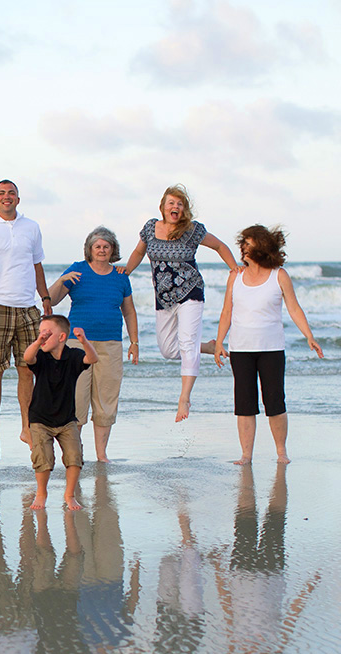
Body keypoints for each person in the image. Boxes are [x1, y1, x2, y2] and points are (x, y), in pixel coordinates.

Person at [118, 185, 239, 422]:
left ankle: (184, 397)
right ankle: (208, 347)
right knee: (168, 350)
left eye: (180, 204)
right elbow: (138, 252)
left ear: (184, 210)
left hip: (190, 290)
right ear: (162, 206)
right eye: (171, 203)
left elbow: (219, 246)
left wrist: (234, 268)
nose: (176, 207)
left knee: (186, 343)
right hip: (163, 297)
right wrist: (126, 271)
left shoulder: (192, 230)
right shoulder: (150, 228)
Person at [214, 225, 323, 464]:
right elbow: (227, 311)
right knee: (244, 404)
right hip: (241, 349)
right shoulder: (235, 276)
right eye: (243, 242)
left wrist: (309, 335)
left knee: (274, 402)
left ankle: (281, 452)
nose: (243, 247)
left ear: (260, 247)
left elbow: (294, 308)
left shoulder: (279, 275)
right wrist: (219, 341)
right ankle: (246, 456)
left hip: (271, 349)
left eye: (248, 243)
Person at [0, 180, 51, 462]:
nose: (6, 197)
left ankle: (26, 427)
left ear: (18, 198)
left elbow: (37, 266)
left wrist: (46, 298)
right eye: (1, 193)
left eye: (11, 193)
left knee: (28, 370)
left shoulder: (32, 227)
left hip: (28, 307)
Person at [48, 226, 140, 463]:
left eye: (106, 246)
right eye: (97, 246)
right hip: (77, 345)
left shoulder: (120, 276)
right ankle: (75, 454)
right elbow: (51, 298)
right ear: (89, 249)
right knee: (76, 399)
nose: (101, 250)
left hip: (110, 344)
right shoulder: (77, 270)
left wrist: (134, 342)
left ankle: (101, 455)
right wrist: (61, 280)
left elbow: (129, 312)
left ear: (113, 250)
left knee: (106, 400)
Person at [22, 315, 97, 510]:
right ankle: (41, 493)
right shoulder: (42, 357)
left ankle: (69, 495)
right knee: (43, 459)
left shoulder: (73, 356)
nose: (43, 337)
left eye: (47, 334)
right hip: (40, 419)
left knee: (75, 456)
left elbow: (92, 358)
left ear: (62, 336)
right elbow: (27, 358)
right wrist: (38, 341)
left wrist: (84, 341)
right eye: (41, 333)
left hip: (66, 419)